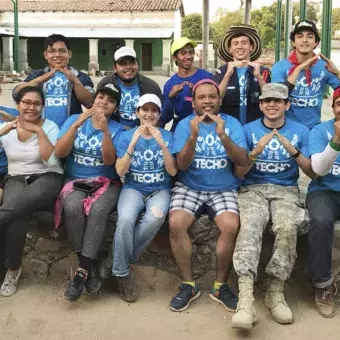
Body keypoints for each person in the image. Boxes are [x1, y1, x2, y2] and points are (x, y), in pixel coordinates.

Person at [231, 83, 314, 329]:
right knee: (249, 227)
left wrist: (293, 150)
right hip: (252, 189)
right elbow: (239, 172)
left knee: (288, 226)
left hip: (285, 190)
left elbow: (310, 171)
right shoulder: (247, 130)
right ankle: (245, 298)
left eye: (278, 101)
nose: (272, 105)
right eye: (267, 101)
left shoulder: (300, 130)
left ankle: (275, 290)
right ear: (260, 105)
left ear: (287, 105)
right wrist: (256, 151)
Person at [168, 79, 248, 312]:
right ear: (193, 102)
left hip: (223, 187)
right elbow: (181, 166)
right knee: (175, 223)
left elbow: (243, 161)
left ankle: (219, 286)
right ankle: (188, 284)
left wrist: (223, 136)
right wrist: (192, 137)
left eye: (212, 97)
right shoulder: (184, 125)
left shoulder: (232, 124)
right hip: (189, 186)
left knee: (231, 226)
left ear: (219, 100)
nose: (207, 102)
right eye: (201, 97)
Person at [54, 83, 124, 302]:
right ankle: (89, 267)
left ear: (115, 108)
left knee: (98, 209)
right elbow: (60, 152)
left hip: (107, 182)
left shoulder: (118, 129)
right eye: (101, 97)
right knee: (73, 207)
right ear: (94, 99)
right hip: (75, 180)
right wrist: (75, 126)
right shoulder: (74, 120)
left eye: (110, 101)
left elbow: (109, 161)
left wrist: (105, 131)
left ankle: (81, 272)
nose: (104, 102)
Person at [0, 86, 64, 297]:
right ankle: (13, 269)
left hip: (47, 177)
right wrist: (3, 130)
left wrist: (38, 131)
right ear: (17, 105)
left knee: (18, 204)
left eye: (37, 103)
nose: (31, 107)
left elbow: (50, 159)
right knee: (18, 215)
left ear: (42, 107)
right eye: (26, 102)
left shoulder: (51, 126)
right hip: (16, 179)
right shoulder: (6, 127)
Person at [112, 94, 176, 302]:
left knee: (155, 218)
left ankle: (119, 262)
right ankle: (122, 274)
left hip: (160, 189)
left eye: (154, 111)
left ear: (159, 114)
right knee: (125, 221)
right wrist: (132, 144)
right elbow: (120, 170)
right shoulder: (125, 135)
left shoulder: (168, 136)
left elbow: (173, 172)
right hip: (133, 188)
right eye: (144, 110)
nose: (149, 114)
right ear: (137, 112)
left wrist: (162, 145)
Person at [306, 87, 340, 318]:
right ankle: (323, 286)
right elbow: (317, 170)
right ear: (334, 107)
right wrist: (336, 140)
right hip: (324, 191)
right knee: (320, 220)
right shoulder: (320, 130)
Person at [13, 34, 94, 128]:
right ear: (45, 55)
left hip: (71, 131)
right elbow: (16, 93)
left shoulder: (80, 77)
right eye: (52, 51)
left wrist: (76, 82)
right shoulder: (36, 75)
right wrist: (41, 79)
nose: (57, 55)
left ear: (69, 54)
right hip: (41, 131)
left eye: (62, 51)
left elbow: (90, 103)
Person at [272, 20, 340, 129]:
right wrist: (299, 69)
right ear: (293, 42)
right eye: (299, 36)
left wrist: (337, 73)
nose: (304, 40)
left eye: (310, 36)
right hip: (285, 128)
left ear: (316, 42)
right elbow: (276, 96)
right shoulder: (280, 67)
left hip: (314, 128)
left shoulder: (325, 67)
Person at [213, 25, 271, 125]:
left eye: (244, 43)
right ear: (230, 49)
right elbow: (216, 98)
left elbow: (270, 97)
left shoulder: (263, 71)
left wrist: (259, 77)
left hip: (256, 126)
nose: (240, 46)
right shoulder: (221, 72)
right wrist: (227, 75)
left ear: (251, 47)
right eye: (235, 43)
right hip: (229, 127)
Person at [98, 46, 162, 128]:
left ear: (137, 64)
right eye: (123, 64)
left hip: (142, 134)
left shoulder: (151, 87)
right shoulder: (106, 83)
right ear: (115, 68)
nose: (128, 67)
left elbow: (160, 117)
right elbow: (98, 111)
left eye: (132, 62)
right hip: (112, 133)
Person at [162, 37, 212, 130]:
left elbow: (217, 106)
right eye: (183, 53)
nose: (188, 56)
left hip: (204, 129)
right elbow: (165, 118)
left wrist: (198, 93)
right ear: (174, 57)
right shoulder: (170, 84)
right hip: (180, 131)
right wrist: (170, 98)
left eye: (191, 52)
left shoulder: (206, 77)